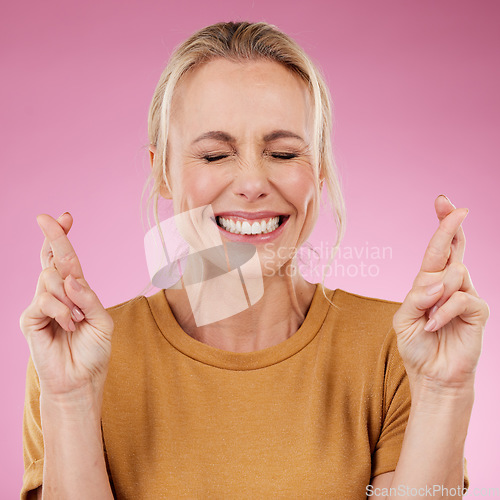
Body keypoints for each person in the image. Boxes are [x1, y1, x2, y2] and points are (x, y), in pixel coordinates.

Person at [20, 21, 489, 499]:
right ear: (162, 172)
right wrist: (71, 400)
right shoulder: (77, 359)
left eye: (283, 153)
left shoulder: (399, 349)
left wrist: (443, 393)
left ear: (320, 169)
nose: (251, 183)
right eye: (215, 155)